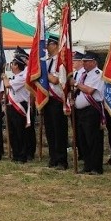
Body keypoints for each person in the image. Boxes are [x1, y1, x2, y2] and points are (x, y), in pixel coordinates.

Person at [74, 52, 105, 174]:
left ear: (94, 62)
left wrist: (76, 84)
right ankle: (87, 165)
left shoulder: (98, 74)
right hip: (80, 111)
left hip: (92, 110)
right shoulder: (84, 75)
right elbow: (79, 91)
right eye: (83, 61)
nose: (84, 63)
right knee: (83, 139)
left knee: (93, 139)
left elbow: (90, 90)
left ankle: (96, 167)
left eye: (86, 61)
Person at [42, 35, 69, 169]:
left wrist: (43, 72)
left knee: (59, 131)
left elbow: (56, 80)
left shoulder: (60, 61)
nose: (46, 47)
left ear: (54, 45)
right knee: (50, 130)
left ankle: (62, 160)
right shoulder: (47, 61)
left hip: (58, 99)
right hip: (47, 99)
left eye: (48, 44)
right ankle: (53, 158)